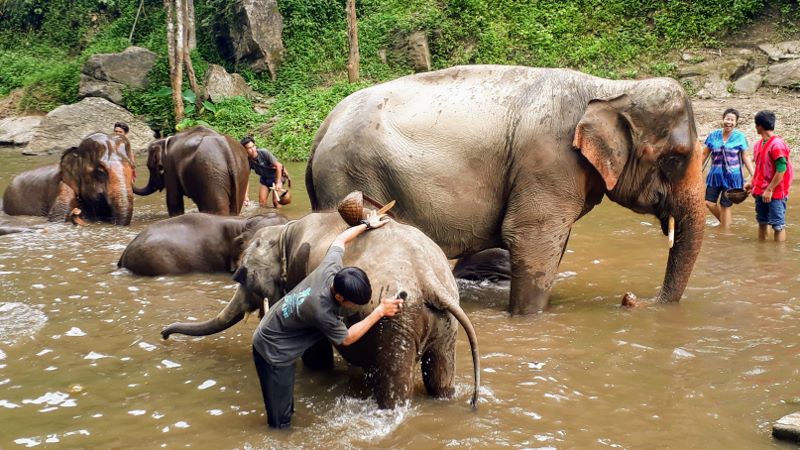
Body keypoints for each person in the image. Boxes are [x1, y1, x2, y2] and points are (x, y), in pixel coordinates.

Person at [249, 210, 403, 429]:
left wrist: (367, 225)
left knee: (285, 403)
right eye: (352, 303)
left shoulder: (331, 269)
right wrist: (379, 311)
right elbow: (347, 339)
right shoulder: (321, 309)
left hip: (279, 327)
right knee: (280, 420)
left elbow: (340, 239)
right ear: (339, 297)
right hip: (273, 351)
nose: (355, 307)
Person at [744, 110, 794, 242]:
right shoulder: (758, 145)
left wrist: (769, 189)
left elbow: (781, 169)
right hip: (761, 191)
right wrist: (752, 182)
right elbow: (760, 168)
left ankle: (777, 258)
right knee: (762, 222)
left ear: (759, 126)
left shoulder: (777, 145)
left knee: (778, 225)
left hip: (775, 192)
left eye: (756, 125)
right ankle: (763, 252)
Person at [701, 108, 755, 228]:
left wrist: (753, 174)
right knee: (709, 203)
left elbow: (745, 156)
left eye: (732, 120)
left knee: (725, 205)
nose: (729, 122)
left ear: (736, 122)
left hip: (732, 178)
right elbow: (704, 154)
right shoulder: (713, 135)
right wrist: (696, 170)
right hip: (715, 176)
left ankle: (725, 228)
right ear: (723, 119)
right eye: (727, 119)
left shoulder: (740, 137)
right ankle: (726, 224)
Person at [240, 136, 287, 208]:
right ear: (245, 150)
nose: (253, 149)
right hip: (265, 179)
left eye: (253, 146)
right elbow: (246, 180)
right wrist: (246, 196)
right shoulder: (247, 161)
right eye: (249, 148)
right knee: (262, 203)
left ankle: (279, 218)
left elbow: (278, 166)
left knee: (276, 202)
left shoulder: (264, 153)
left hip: (276, 177)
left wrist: (278, 182)